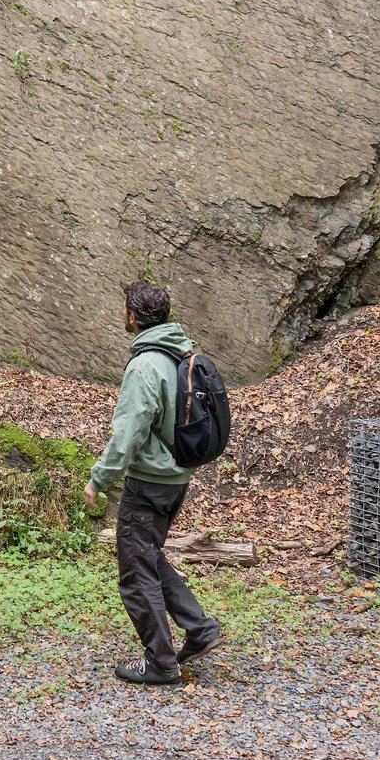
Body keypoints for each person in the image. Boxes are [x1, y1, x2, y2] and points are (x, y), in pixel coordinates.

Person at [84, 281, 222, 685]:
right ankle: (198, 628)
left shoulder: (145, 365)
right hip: (177, 478)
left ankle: (161, 661)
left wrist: (99, 479)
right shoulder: (181, 353)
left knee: (134, 571)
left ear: (131, 316)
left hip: (148, 482)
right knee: (149, 554)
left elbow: (128, 432)